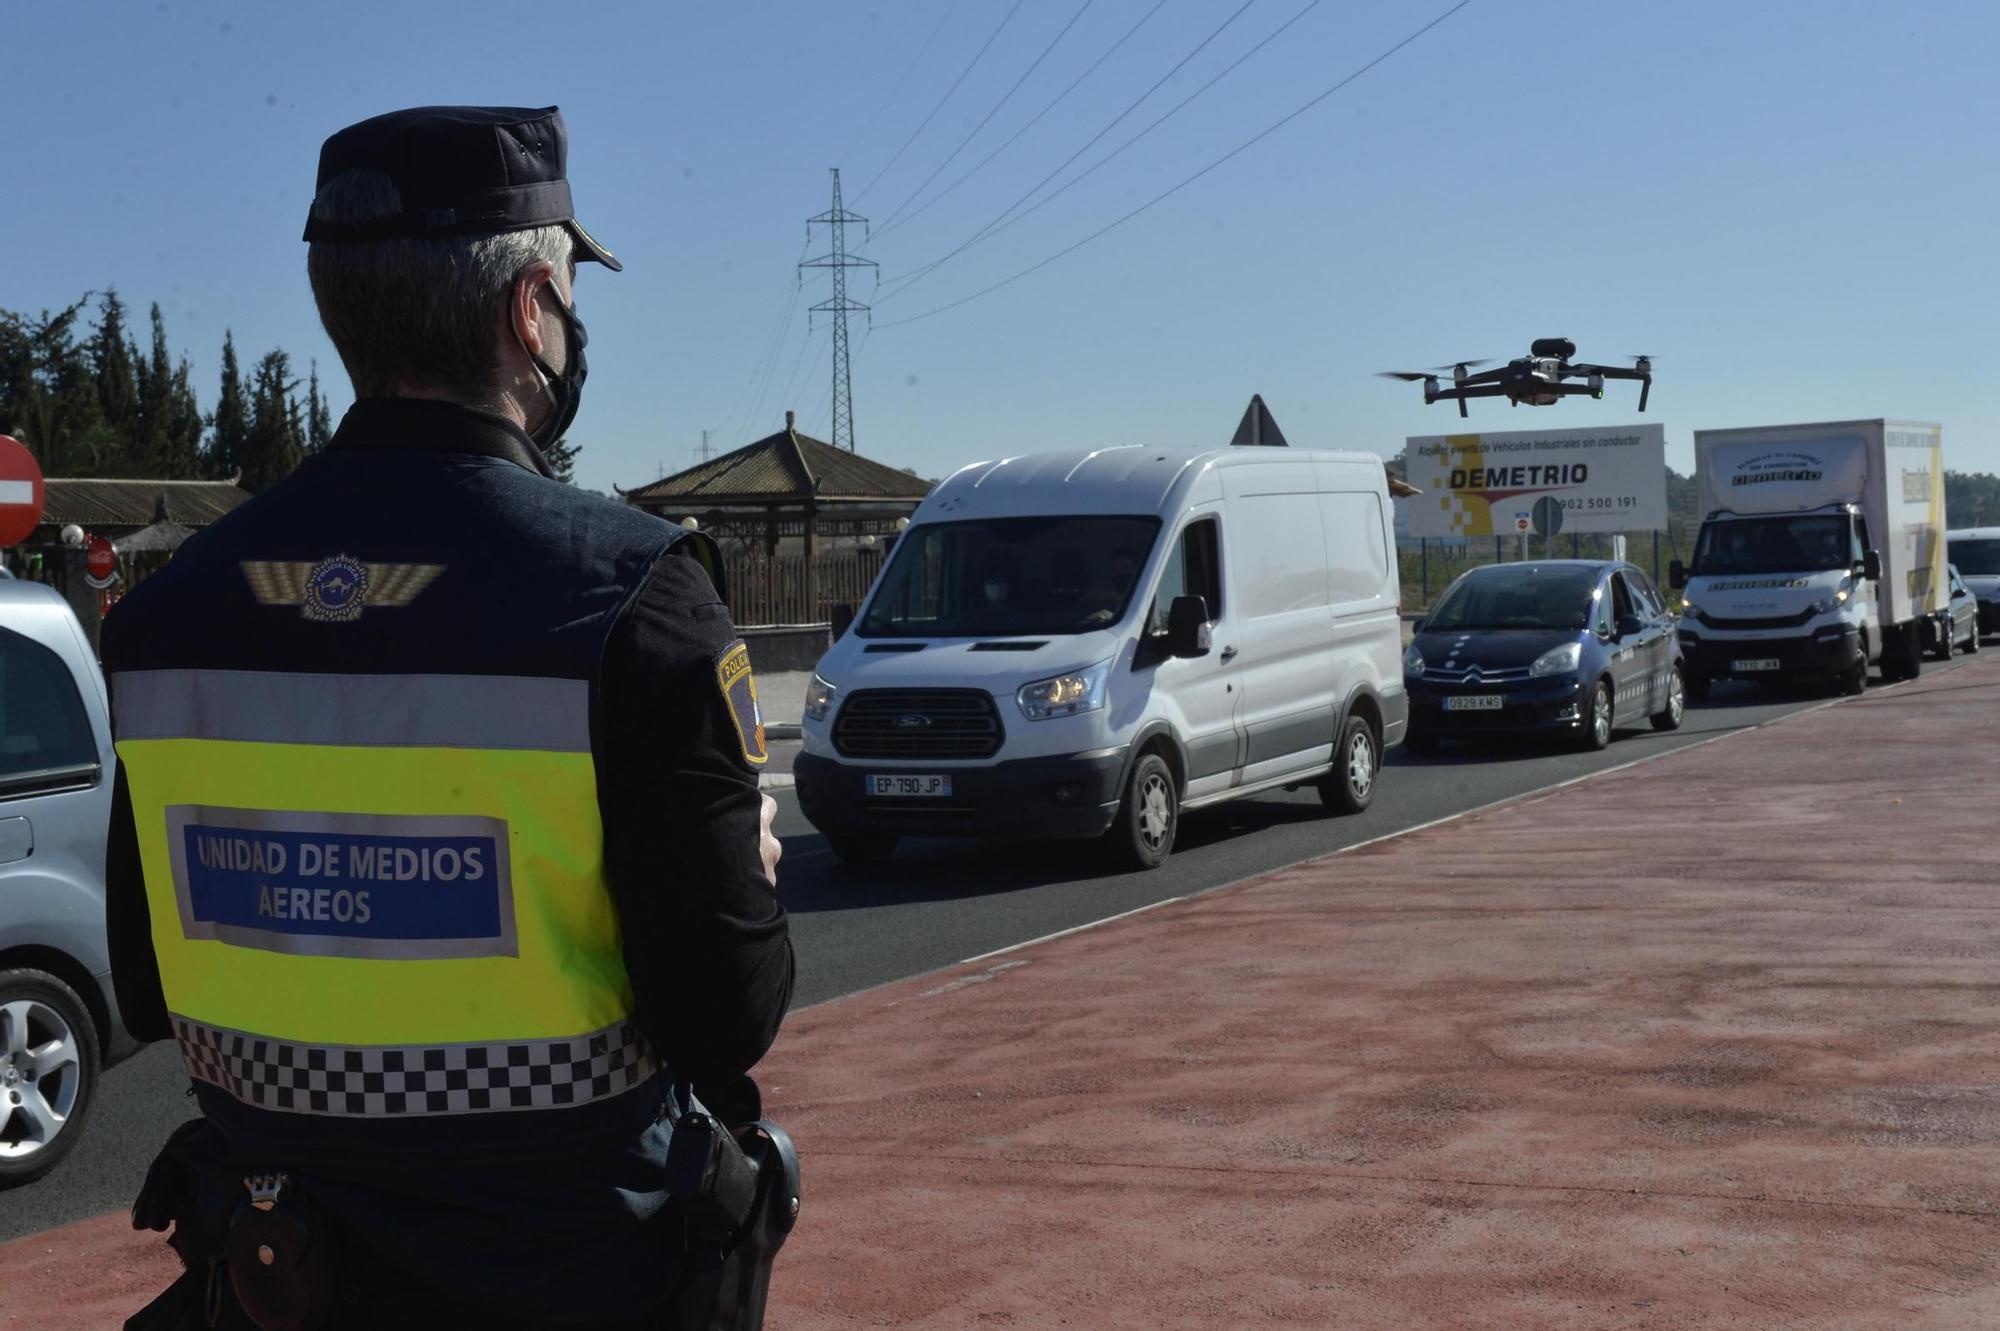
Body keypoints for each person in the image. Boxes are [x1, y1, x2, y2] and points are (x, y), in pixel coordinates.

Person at [103, 105, 793, 1329]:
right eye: (572, 295)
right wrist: (748, 866)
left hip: (274, 1275)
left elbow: (151, 980)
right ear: (532, 310)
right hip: (576, 1275)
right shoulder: (633, 597)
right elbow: (726, 1014)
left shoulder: (168, 617)